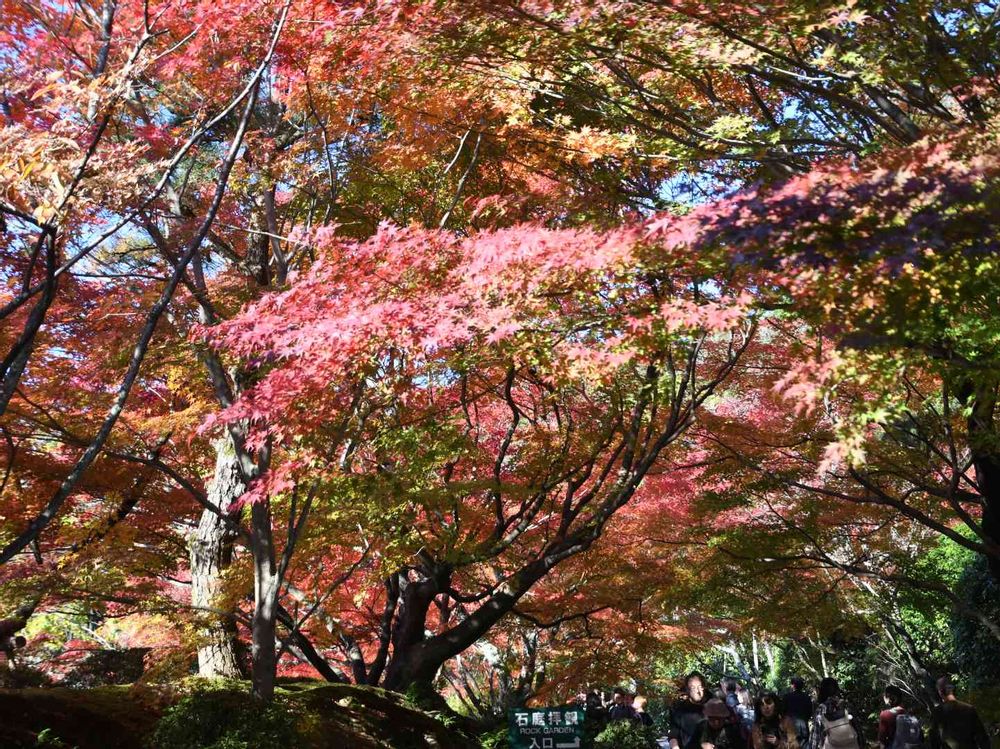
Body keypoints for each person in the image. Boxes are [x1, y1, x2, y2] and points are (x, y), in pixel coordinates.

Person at [928, 677, 989, 749]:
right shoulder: (969, 709)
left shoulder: (936, 713)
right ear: (953, 689)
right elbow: (982, 737)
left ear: (940, 692)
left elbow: (934, 741)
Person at [806, 678, 863, 749]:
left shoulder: (822, 708)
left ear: (822, 692)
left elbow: (816, 734)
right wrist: (861, 744)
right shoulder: (846, 706)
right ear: (837, 690)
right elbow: (857, 728)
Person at [671, 671, 712, 749]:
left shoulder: (713, 706)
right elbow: (673, 735)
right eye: (693, 688)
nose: (697, 691)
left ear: (704, 687)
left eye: (700, 687)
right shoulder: (680, 710)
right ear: (687, 690)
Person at [784, 677, 813, 748]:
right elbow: (810, 711)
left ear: (793, 685)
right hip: (804, 727)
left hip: (791, 728)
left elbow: (783, 712)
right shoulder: (807, 697)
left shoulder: (787, 697)